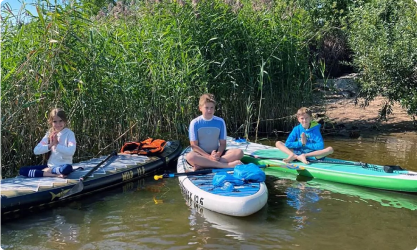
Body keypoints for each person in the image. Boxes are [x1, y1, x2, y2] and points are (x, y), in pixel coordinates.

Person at [186, 93, 243, 171]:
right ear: (200, 108)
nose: (209, 110)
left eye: (212, 107)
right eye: (206, 108)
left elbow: (223, 144)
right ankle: (225, 166)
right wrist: (209, 157)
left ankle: (204, 166)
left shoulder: (220, 122)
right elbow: (194, 146)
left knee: (239, 152)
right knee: (190, 157)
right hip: (200, 155)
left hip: (216, 154)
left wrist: (217, 155)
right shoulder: (195, 123)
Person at [19, 108, 77, 178]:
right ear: (51, 122)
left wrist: (56, 145)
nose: (58, 124)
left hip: (62, 167)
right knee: (22, 170)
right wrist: (50, 145)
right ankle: (53, 174)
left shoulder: (69, 134)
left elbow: (71, 152)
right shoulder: (49, 133)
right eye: (55, 121)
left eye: (60, 121)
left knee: (67, 168)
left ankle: (48, 171)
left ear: (65, 121)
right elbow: (36, 151)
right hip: (51, 167)